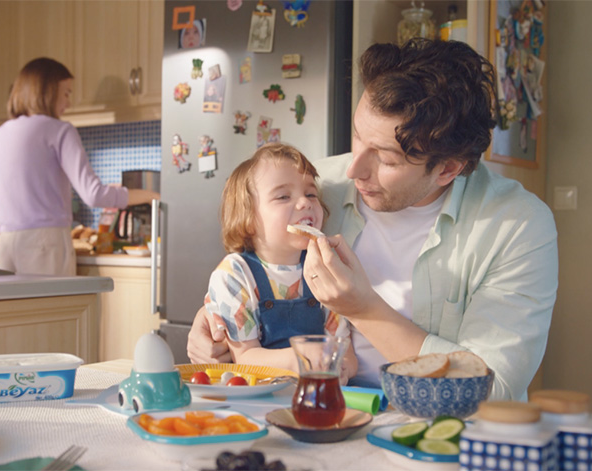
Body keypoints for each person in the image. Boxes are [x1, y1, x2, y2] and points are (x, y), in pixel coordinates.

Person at [187, 39, 558, 401]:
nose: (353, 168)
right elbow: (261, 266)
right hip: (320, 410)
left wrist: (363, 309)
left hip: (439, 432)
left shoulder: (517, 226)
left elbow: (495, 390)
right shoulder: (319, 188)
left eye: (386, 159)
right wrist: (213, 319)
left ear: (447, 169)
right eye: (357, 137)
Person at [0, 57, 158, 276]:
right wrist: (150, 195)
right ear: (46, 92)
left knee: (13, 311)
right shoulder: (60, 131)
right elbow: (93, 195)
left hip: (4, 247)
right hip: (46, 245)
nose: (69, 103)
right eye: (66, 93)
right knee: (51, 310)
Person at [204, 143, 358, 382]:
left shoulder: (327, 270)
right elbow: (245, 359)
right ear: (248, 219)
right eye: (283, 196)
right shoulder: (234, 275)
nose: (305, 203)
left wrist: (343, 368)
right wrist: (302, 359)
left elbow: (346, 353)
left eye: (310, 194)